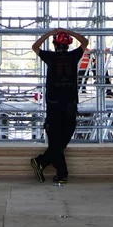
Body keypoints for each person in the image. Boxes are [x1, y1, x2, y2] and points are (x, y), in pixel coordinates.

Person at [30, 28, 88, 183]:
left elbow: (35, 47)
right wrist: (68, 31)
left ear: (55, 44)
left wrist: (49, 34)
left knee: (57, 141)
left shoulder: (50, 56)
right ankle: (61, 174)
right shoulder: (72, 56)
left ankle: (41, 162)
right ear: (68, 45)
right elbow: (85, 42)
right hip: (67, 104)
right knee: (59, 141)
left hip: (56, 104)